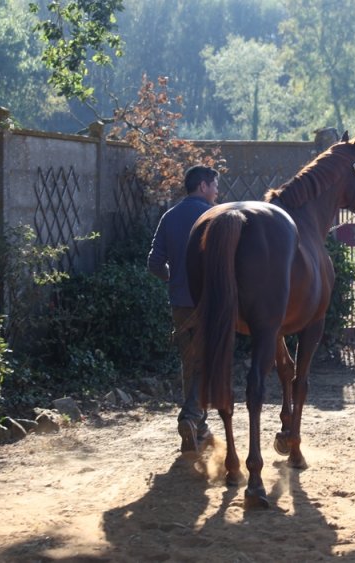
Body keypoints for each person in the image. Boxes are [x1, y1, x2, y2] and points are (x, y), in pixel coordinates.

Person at [147, 165, 219, 454]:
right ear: (203, 186)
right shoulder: (214, 217)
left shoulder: (170, 216)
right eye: (215, 185)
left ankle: (198, 428)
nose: (217, 191)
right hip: (208, 302)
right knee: (208, 360)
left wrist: (174, 278)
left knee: (190, 363)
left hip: (179, 303)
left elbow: (154, 263)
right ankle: (190, 418)